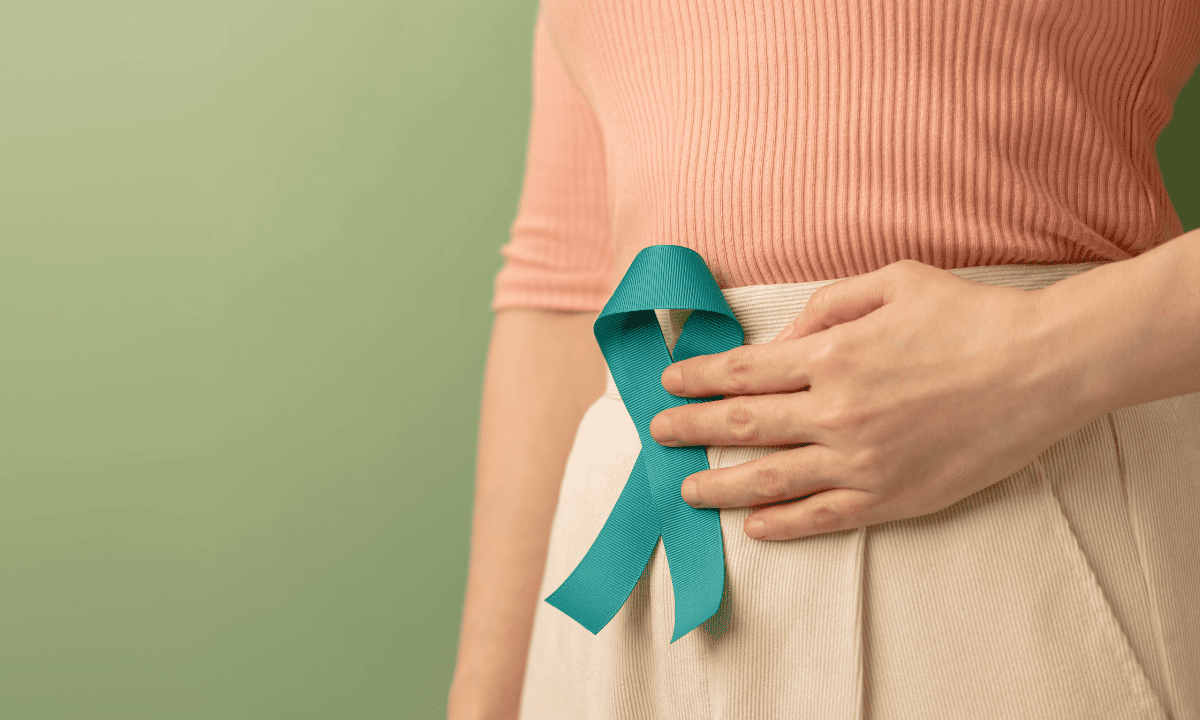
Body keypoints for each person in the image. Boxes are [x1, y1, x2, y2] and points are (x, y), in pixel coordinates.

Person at [448, 2, 1200, 718]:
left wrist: (1042, 354)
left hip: (1019, 500)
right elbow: (569, 278)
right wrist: (488, 702)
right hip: (629, 591)